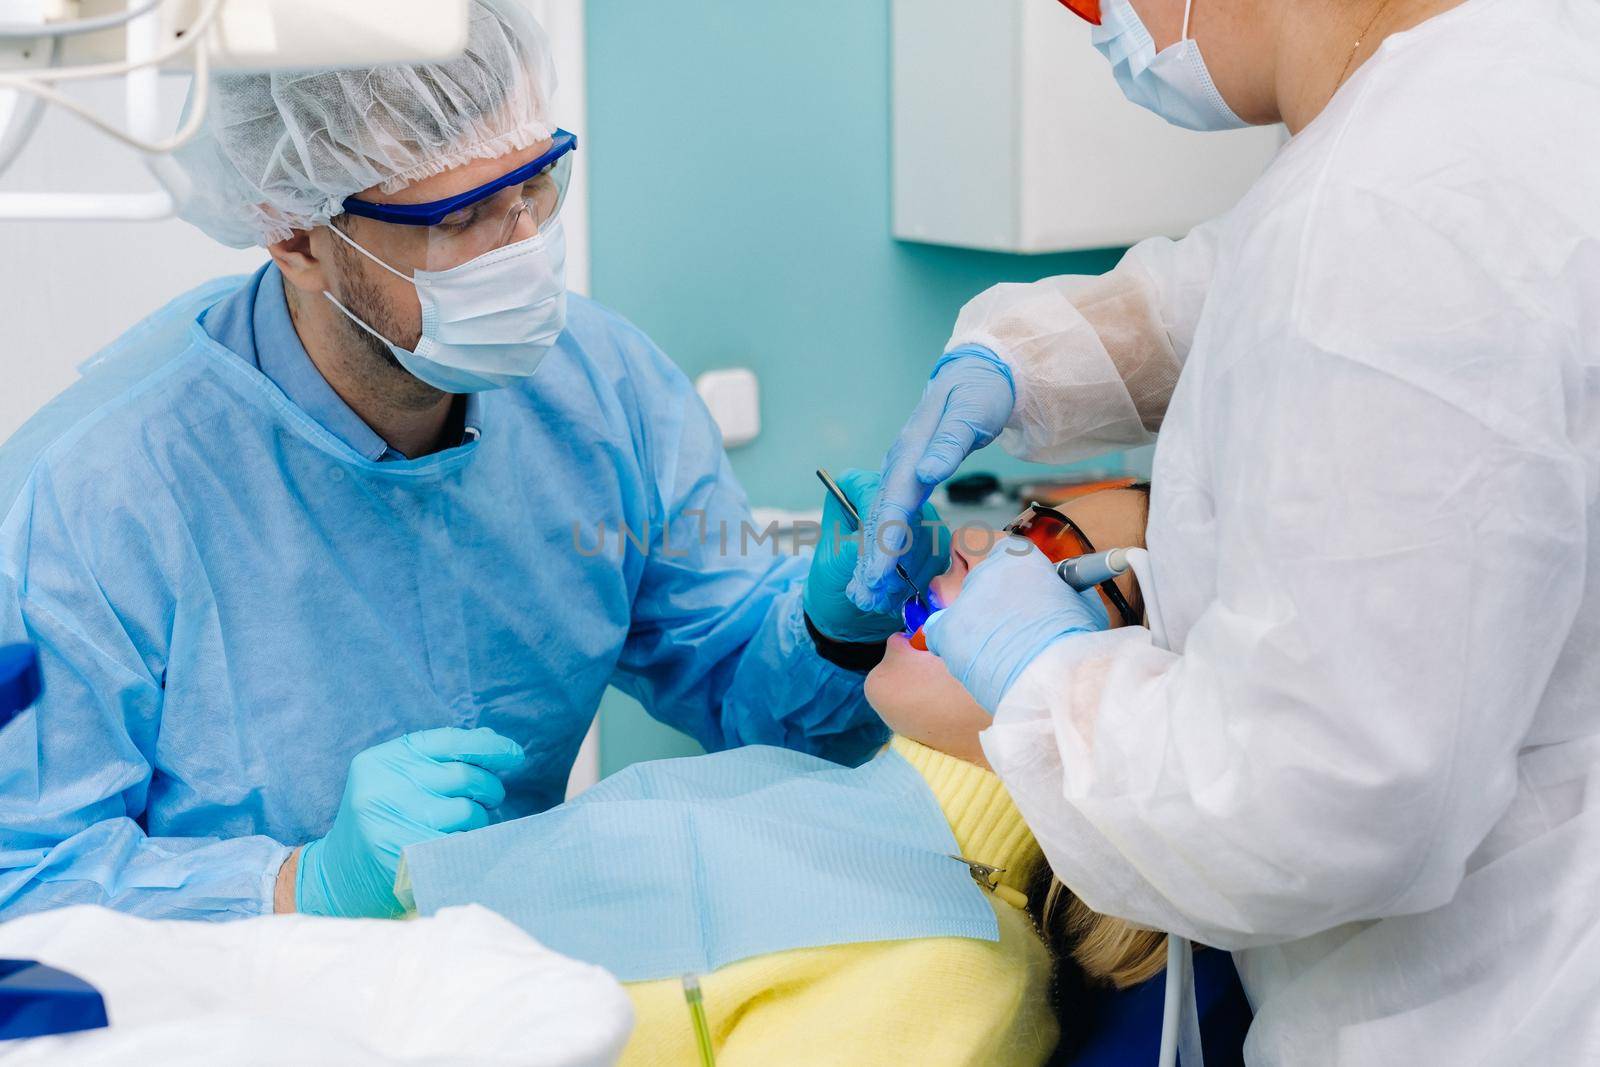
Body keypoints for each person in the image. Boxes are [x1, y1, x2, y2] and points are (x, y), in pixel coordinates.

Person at [0, 1, 939, 924]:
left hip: (511, 986)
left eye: (535, 185)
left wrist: (836, 627)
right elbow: (26, 875)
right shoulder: (91, 497)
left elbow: (743, 695)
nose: (525, 247)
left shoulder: (601, 389)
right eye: (464, 218)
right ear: (295, 235)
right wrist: (299, 888)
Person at [852, 0, 1600, 1061]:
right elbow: (1241, 284)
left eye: (1054, 551)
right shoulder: (1489, 101)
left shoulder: (1400, 199)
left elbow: (1322, 797)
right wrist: (1023, 358)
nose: (1099, 27)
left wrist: (1045, 681)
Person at [404, 485, 1247, 1067]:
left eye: (1053, 556)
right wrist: (326, 885)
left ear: (1142, 705)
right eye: (1017, 524)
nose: (970, 548)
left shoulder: (951, 976)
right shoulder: (821, 797)